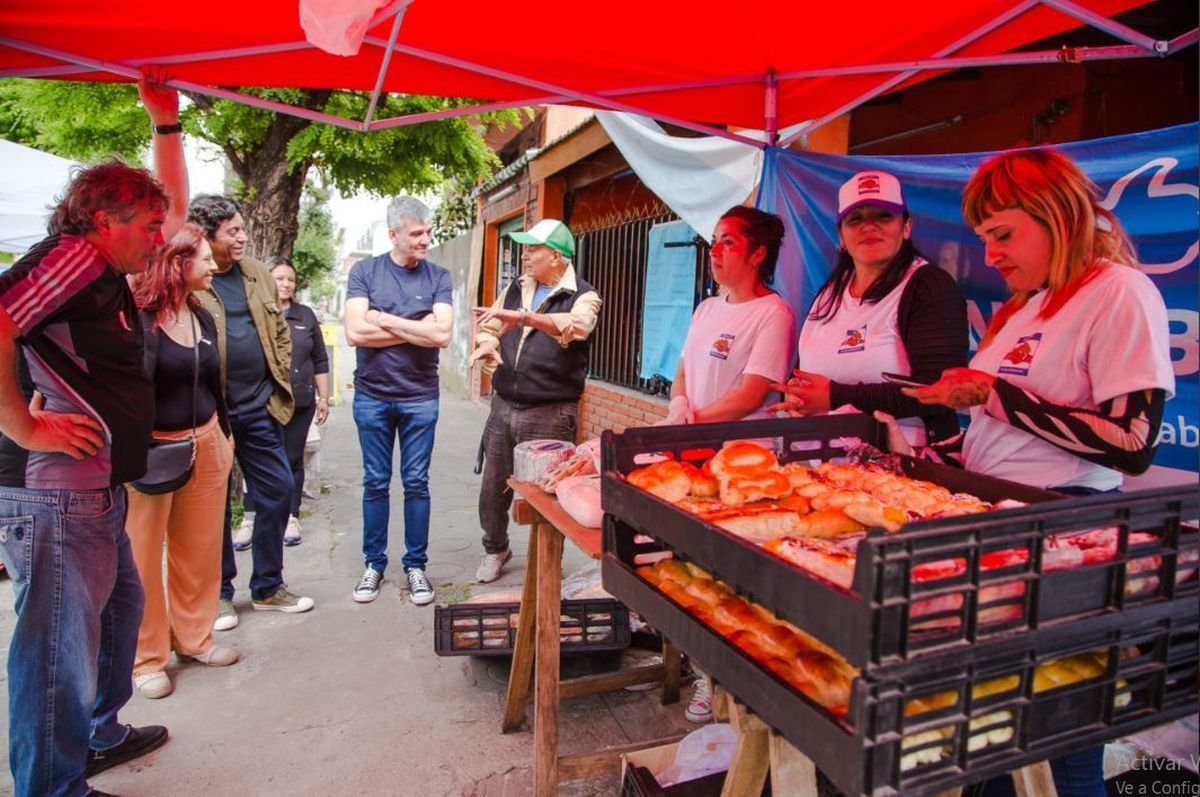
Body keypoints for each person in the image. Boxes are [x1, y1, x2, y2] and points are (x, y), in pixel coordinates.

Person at [884, 147, 1174, 797]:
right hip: (1001, 531)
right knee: (987, 738)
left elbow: (1133, 442)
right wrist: (940, 456)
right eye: (984, 237)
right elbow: (1002, 435)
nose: (990, 254)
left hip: (1069, 535)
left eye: (1003, 234)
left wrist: (990, 395)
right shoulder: (1024, 307)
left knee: (1057, 745)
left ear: (1058, 216)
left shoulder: (1119, 292)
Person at [0, 75, 181, 794]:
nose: (160, 237)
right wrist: (21, 421)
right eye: (146, 225)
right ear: (103, 220)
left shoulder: (102, 271)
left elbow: (176, 211)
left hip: (94, 489)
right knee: (56, 650)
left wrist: (165, 125)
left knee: (119, 613)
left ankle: (97, 731)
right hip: (55, 493)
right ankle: (52, 783)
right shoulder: (74, 256)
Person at [660, 205, 798, 724]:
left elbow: (750, 395)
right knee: (692, 563)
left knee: (730, 574)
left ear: (758, 253)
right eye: (713, 241)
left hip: (741, 467)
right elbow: (681, 371)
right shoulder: (706, 310)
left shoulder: (773, 314)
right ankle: (701, 668)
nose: (715, 251)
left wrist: (691, 422)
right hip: (692, 459)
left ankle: (722, 679)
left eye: (729, 242)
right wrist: (679, 407)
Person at [187, 193, 314, 626]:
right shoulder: (190, 277)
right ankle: (220, 593)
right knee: (214, 504)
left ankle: (267, 587)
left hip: (260, 406)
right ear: (206, 236)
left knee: (278, 490)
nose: (243, 237)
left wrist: (275, 379)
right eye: (233, 231)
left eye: (242, 228)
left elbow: (278, 329)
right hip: (210, 413)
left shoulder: (257, 273)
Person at [770, 170, 968, 446]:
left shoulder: (928, 286)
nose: (869, 226)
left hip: (903, 472)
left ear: (906, 227)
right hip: (820, 467)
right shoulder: (829, 294)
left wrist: (835, 396)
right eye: (856, 219)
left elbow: (939, 389)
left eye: (883, 216)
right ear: (841, 235)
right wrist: (795, 394)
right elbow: (805, 373)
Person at [126, 223, 239, 700]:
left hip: (208, 442)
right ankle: (146, 660)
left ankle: (194, 639)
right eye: (203, 259)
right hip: (150, 452)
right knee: (142, 558)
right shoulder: (139, 319)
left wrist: (223, 439)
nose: (214, 265)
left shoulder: (203, 315)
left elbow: (214, 381)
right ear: (176, 263)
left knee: (201, 550)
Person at [468, 219, 602, 583]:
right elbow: (491, 325)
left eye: (533, 249)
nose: (525, 255)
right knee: (493, 489)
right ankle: (495, 548)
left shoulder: (585, 296)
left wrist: (526, 318)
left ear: (557, 257)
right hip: (503, 406)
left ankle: (547, 565)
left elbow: (578, 326)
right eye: (525, 248)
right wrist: (486, 343)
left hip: (551, 412)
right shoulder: (517, 287)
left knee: (551, 497)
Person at [344, 196, 452, 605]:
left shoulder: (438, 277)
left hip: (421, 397)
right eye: (417, 234)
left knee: (416, 483)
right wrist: (417, 327)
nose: (426, 239)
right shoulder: (365, 272)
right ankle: (374, 564)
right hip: (372, 395)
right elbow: (355, 332)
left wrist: (385, 319)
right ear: (394, 235)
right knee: (375, 482)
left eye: (428, 232)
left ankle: (416, 566)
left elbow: (441, 336)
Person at [269, 256, 331, 546]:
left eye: (290, 279)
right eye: (279, 278)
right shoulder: (258, 313)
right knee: (262, 459)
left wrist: (324, 398)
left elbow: (319, 358)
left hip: (301, 400)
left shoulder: (305, 315)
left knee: (293, 458)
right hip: (264, 401)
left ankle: (290, 516)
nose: (286, 284)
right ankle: (254, 515)